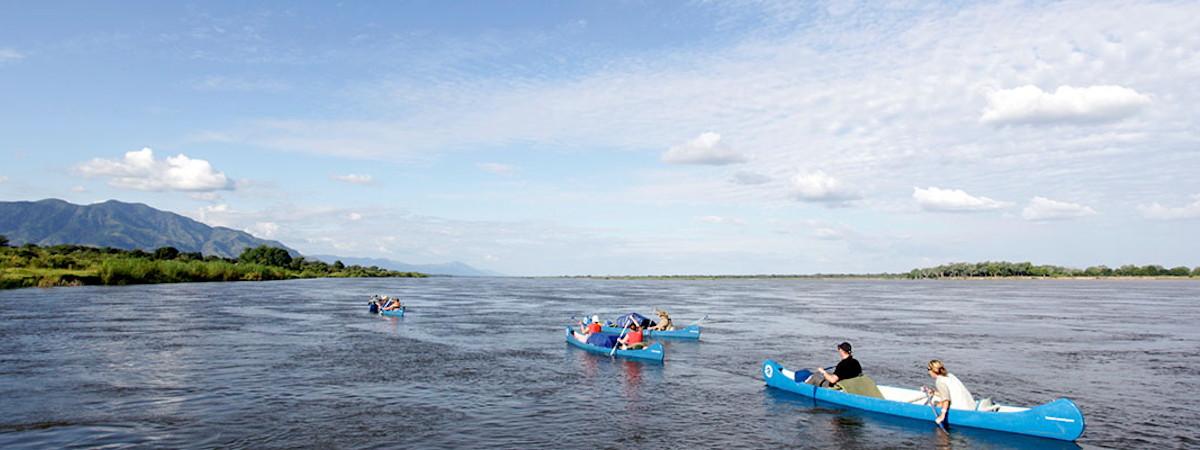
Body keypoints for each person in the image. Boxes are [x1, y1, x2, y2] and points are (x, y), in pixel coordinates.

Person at [922, 359, 977, 424]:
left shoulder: (940, 381)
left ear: (932, 370)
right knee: (939, 402)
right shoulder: (950, 375)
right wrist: (933, 392)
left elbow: (946, 400)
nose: (928, 372)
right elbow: (948, 394)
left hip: (961, 409)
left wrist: (942, 416)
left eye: (928, 370)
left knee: (937, 404)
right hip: (972, 406)